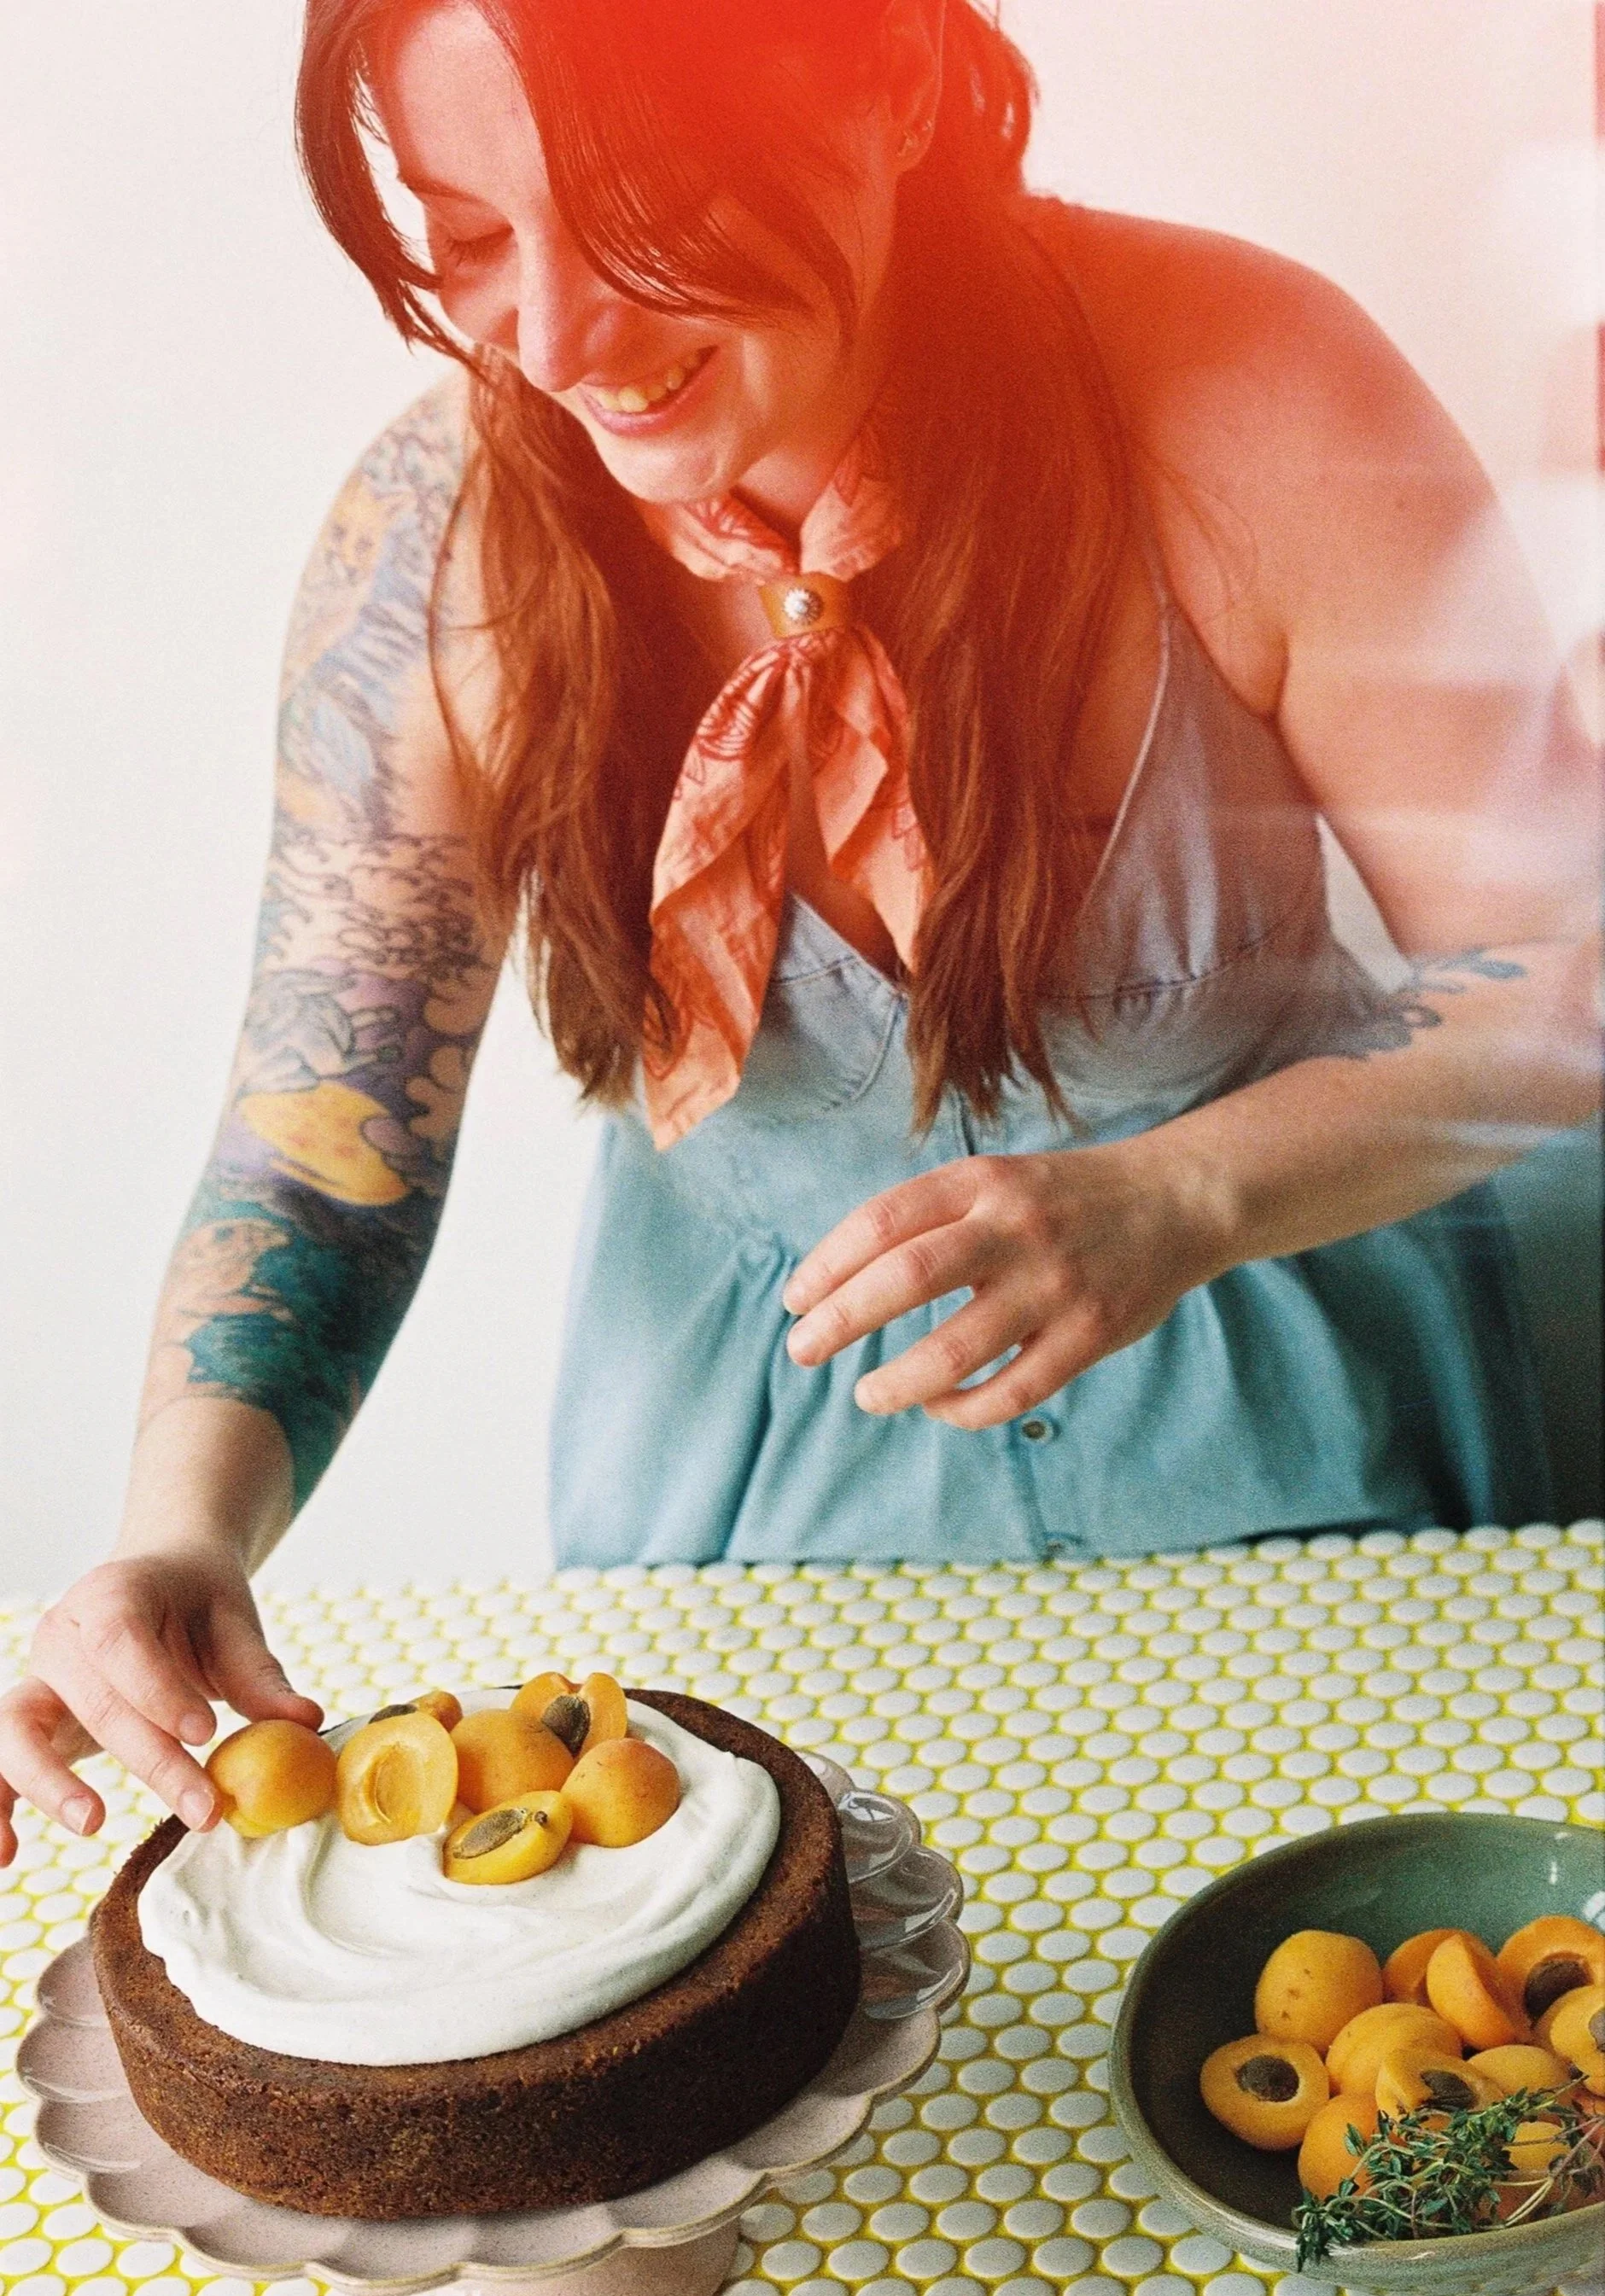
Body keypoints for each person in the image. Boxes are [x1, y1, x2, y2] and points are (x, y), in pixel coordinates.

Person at [0, 0, 1597, 1870]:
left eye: (636, 219)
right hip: (747, 1522)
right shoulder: (434, 545)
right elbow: (328, 1135)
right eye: (473, 243)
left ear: (894, 80)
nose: (558, 344)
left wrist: (1184, 1197)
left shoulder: (1258, 392)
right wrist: (182, 1532)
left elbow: (1564, 983)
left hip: (1302, 1460)